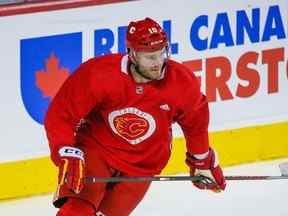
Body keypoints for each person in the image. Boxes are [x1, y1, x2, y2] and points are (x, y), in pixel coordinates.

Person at [44, 17, 226, 216]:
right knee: (76, 211)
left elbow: (195, 122)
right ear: (132, 54)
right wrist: (66, 151)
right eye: (150, 57)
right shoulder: (99, 74)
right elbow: (61, 113)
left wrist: (201, 160)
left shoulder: (181, 81)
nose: (158, 63)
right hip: (97, 151)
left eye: (162, 54)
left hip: (143, 164)